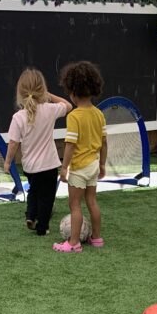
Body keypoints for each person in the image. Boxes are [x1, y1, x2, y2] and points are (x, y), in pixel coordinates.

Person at [3, 68, 72, 236]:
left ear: (20, 92)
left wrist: (7, 162)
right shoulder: (50, 109)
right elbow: (68, 105)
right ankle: (42, 227)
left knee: (33, 191)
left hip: (30, 166)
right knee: (47, 197)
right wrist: (49, 95)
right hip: (48, 165)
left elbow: (13, 143)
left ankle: (30, 216)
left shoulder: (18, 117)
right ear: (43, 90)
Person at [53, 61, 107, 253]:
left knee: (74, 204)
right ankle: (97, 238)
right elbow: (104, 142)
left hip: (79, 167)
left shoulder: (74, 116)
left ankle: (73, 242)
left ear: (73, 91)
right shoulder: (99, 114)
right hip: (93, 165)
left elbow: (70, 145)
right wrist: (102, 165)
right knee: (92, 201)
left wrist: (64, 167)